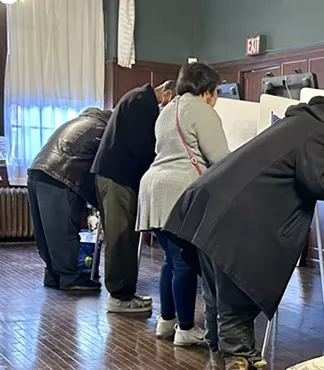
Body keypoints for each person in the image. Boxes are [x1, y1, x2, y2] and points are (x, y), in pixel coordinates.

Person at [162, 96, 324, 370]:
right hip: (235, 219)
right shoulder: (316, 130)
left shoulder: (289, 125)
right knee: (236, 290)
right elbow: (321, 181)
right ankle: (238, 357)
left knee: (216, 293)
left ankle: (221, 353)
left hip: (207, 207)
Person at [136, 63, 229, 346]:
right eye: (216, 92)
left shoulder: (167, 110)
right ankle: (186, 329)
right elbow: (221, 159)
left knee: (171, 260)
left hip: (153, 186)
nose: (216, 98)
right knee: (184, 262)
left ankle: (167, 321)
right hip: (178, 191)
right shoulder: (202, 110)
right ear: (208, 91)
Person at [91, 80, 176, 313]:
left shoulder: (137, 97)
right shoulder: (143, 103)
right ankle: (119, 297)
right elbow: (144, 148)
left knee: (125, 236)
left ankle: (125, 294)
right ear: (167, 95)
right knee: (120, 238)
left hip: (115, 175)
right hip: (117, 177)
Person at [27, 108, 111, 291]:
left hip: (37, 172)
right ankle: (70, 278)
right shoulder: (103, 130)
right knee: (63, 230)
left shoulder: (78, 123)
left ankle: (52, 274)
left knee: (45, 231)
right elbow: (102, 170)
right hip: (60, 176)